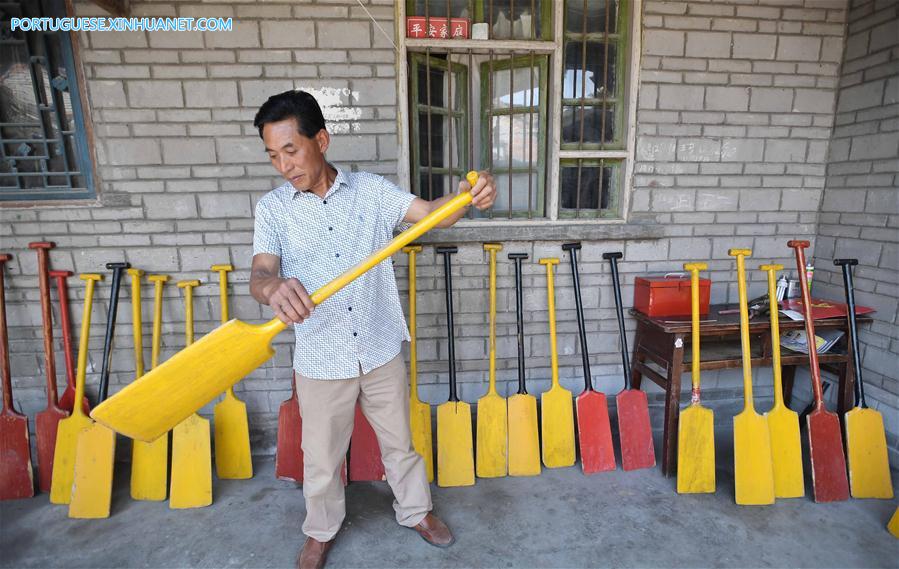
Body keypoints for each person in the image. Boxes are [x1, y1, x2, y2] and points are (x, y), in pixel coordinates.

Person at [249, 90, 496, 569]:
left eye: (291, 150)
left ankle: (416, 512)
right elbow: (260, 274)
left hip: (379, 345)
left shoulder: (371, 192)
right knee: (320, 459)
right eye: (273, 155)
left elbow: (431, 213)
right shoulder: (273, 209)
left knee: (399, 444)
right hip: (321, 357)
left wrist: (472, 191)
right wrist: (271, 287)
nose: (283, 165)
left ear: (321, 139)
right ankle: (320, 531)